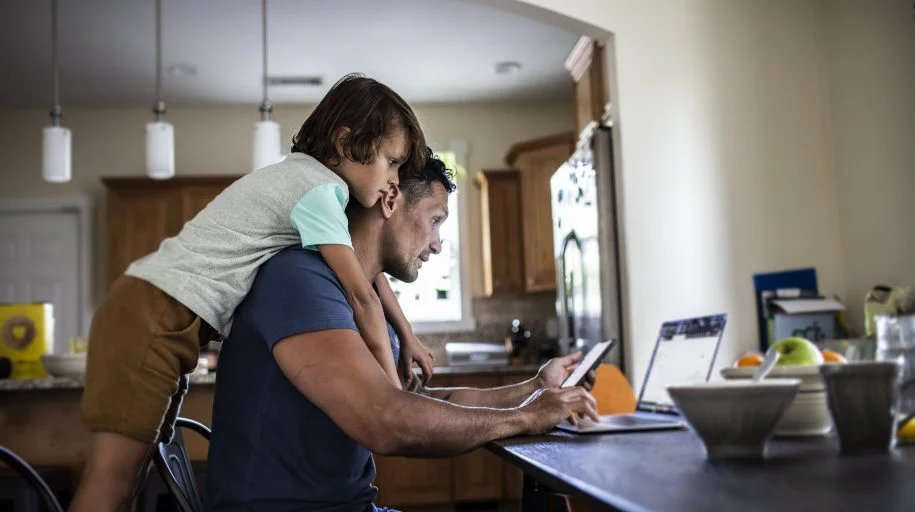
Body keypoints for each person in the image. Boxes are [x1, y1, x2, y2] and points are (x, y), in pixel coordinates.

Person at [71, 74, 436, 512]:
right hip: (152, 314)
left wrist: (407, 334)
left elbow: (365, 274)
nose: (393, 179)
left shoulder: (312, 186)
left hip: (161, 315)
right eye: (392, 162)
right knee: (112, 480)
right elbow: (360, 296)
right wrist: (392, 395)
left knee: (130, 478)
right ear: (345, 143)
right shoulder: (319, 192)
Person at [205, 152, 599, 511]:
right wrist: (526, 418)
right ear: (390, 200)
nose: (437, 244)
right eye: (435, 220)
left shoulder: (365, 293)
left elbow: (419, 401)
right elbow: (386, 419)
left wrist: (534, 389)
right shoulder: (299, 278)